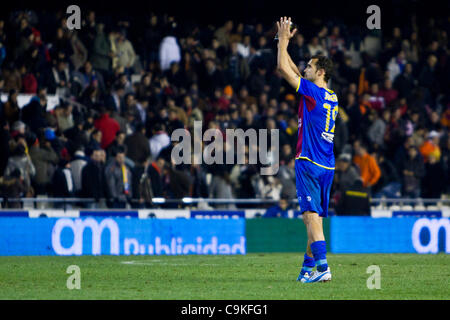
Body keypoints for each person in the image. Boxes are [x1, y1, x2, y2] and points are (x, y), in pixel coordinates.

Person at [276, 17, 337, 283]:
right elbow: (296, 73)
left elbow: (282, 68)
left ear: (321, 71)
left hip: (308, 161)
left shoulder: (312, 92)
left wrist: (282, 42)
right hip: (327, 165)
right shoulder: (331, 95)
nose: (306, 68)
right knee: (315, 221)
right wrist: (286, 46)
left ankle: (323, 268)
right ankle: (306, 269)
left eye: (310, 66)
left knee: (310, 217)